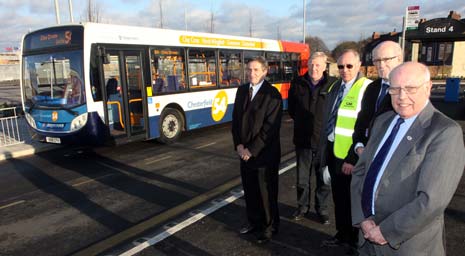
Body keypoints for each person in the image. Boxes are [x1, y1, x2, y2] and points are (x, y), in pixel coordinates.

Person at [351, 62, 465, 255]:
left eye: (410, 88)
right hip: (367, 237)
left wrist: (386, 231)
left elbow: (431, 200)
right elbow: (360, 171)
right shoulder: (382, 121)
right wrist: (362, 218)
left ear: (428, 88)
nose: (402, 97)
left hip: (406, 245)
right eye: (395, 90)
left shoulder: (444, 132)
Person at [318, 49, 372, 252]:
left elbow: (365, 128)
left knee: (354, 202)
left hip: (351, 157)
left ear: (359, 66)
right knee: (339, 199)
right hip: (334, 152)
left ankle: (355, 242)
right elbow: (328, 122)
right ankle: (342, 235)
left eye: (349, 66)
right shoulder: (335, 86)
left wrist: (352, 159)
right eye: (340, 66)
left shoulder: (366, 88)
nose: (344, 70)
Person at [231, 56, 282, 244]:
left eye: (256, 70)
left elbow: (270, 128)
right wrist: (238, 145)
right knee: (250, 191)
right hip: (244, 154)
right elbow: (236, 121)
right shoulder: (242, 90)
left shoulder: (273, 95)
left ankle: (270, 227)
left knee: (266, 194)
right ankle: (254, 222)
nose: (251, 73)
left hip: (264, 155)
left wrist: (250, 150)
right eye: (249, 70)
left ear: (265, 71)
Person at [288, 52, 337, 223]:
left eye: (317, 65)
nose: (313, 68)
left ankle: (321, 209)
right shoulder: (297, 83)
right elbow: (292, 110)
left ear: (325, 66)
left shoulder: (333, 84)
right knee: (302, 180)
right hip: (303, 142)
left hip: (325, 143)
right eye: (311, 65)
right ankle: (302, 207)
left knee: (323, 180)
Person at [350, 41, 402, 158]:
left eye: (386, 59)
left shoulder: (408, 90)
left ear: (399, 59)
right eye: (377, 61)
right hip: (365, 155)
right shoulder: (372, 88)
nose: (381, 65)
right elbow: (362, 120)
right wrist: (359, 146)